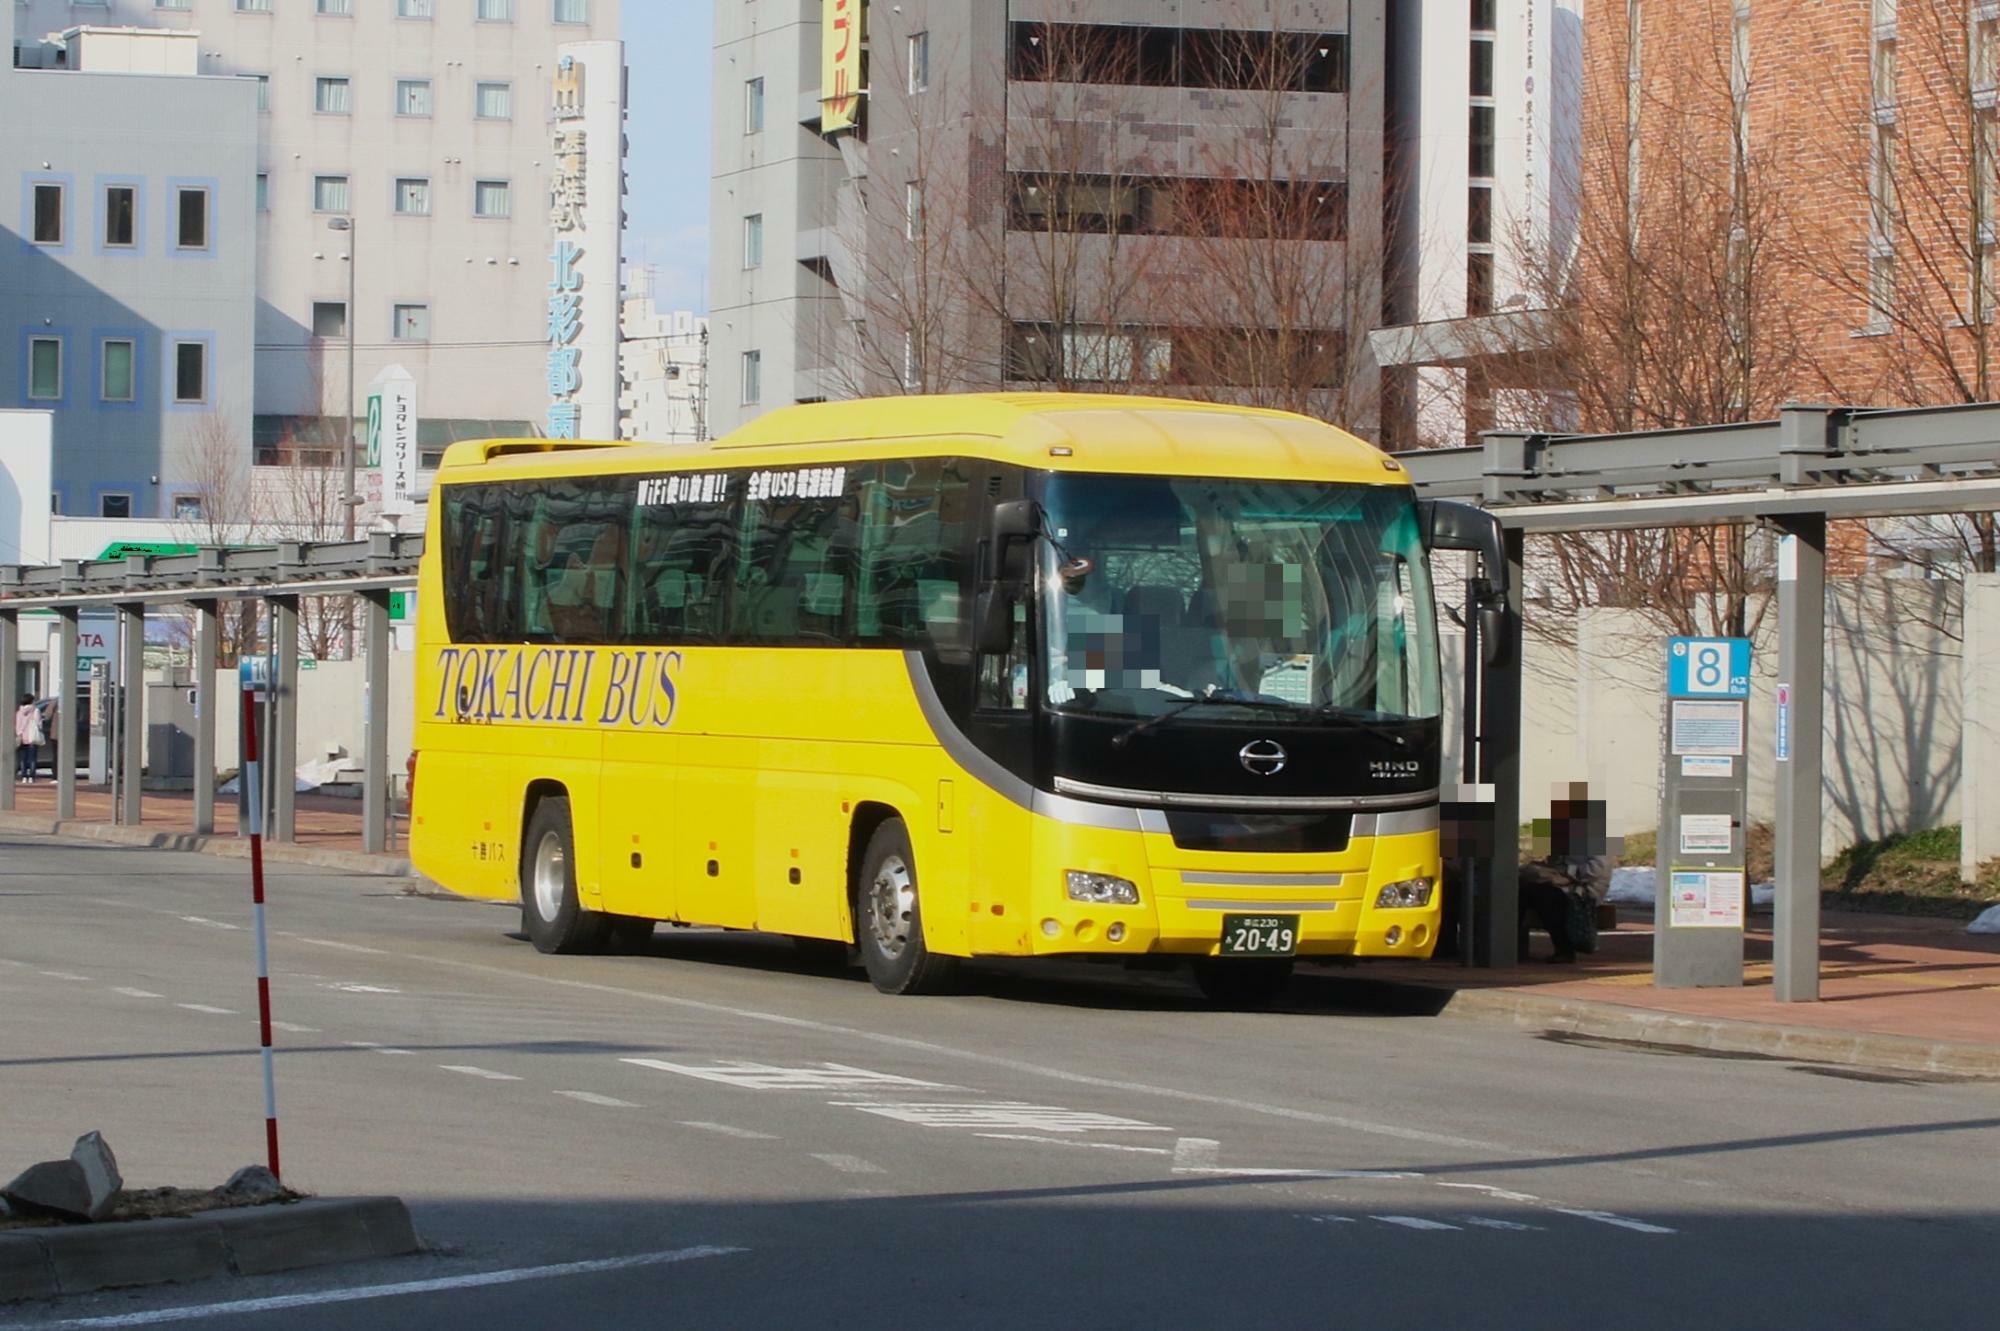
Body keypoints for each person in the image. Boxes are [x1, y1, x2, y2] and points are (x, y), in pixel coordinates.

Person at [1518, 787, 1613, 963]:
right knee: (1521, 888)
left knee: (1545, 897)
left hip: (1583, 889)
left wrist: (1567, 873)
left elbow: (1598, 869)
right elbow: (1549, 859)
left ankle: (1564, 949)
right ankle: (1512, 944)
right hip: (1561, 883)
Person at [13, 692, 43, 784]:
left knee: (23, 759)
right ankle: (31, 777)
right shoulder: (35, 711)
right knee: (32, 759)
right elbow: (39, 724)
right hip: (32, 737)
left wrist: (19, 734)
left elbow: (17, 726)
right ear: (31, 701)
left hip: (22, 738)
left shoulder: (19, 712)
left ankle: (24, 776)